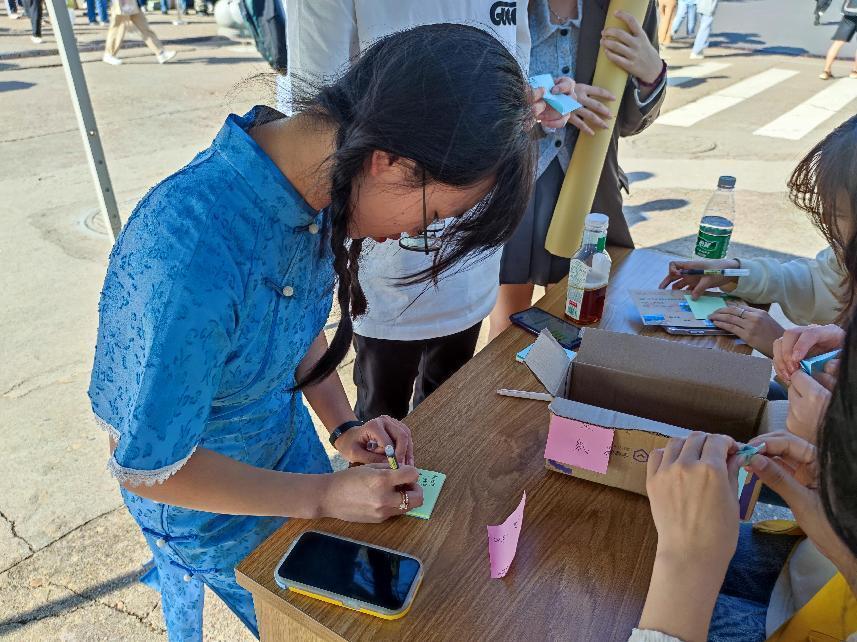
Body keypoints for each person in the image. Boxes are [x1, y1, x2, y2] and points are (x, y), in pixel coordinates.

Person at [88, 24, 535, 640]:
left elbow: (290, 326)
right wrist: (322, 495)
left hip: (289, 455)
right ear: (391, 161)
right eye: (433, 215)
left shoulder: (315, 183)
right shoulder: (190, 251)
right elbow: (153, 468)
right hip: (210, 503)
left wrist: (345, 426)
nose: (415, 235)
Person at [282, 0, 545, 422]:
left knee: (445, 412)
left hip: (469, 279)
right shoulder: (260, 238)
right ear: (386, 159)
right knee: (381, 409)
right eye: (433, 215)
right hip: (386, 287)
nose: (423, 228)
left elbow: (516, 79)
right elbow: (316, 114)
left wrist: (529, 105)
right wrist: (345, 433)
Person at [630, 313, 857, 641]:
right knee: (638, 558)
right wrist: (833, 522)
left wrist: (686, 561)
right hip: (819, 575)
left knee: (628, 601)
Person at [488, 0, 667, 339]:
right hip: (510, 179)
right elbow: (478, 81)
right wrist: (552, 98)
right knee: (507, 325)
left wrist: (652, 74)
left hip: (589, 186)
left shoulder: (629, 5)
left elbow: (627, 122)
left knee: (577, 319)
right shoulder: (502, 5)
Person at [659, 113, 857, 358]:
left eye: (838, 213)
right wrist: (732, 272)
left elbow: (838, 380)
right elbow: (814, 281)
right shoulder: (844, 256)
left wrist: (785, 347)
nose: (827, 222)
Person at [102, 0, 176, 64]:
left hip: (132, 2)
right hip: (120, 2)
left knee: (144, 26)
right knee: (118, 28)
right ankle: (109, 54)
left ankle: (160, 53)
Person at [820, 3, 857, 80]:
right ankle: (854, 72)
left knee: (838, 43)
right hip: (851, 11)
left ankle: (826, 71)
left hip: (850, 12)